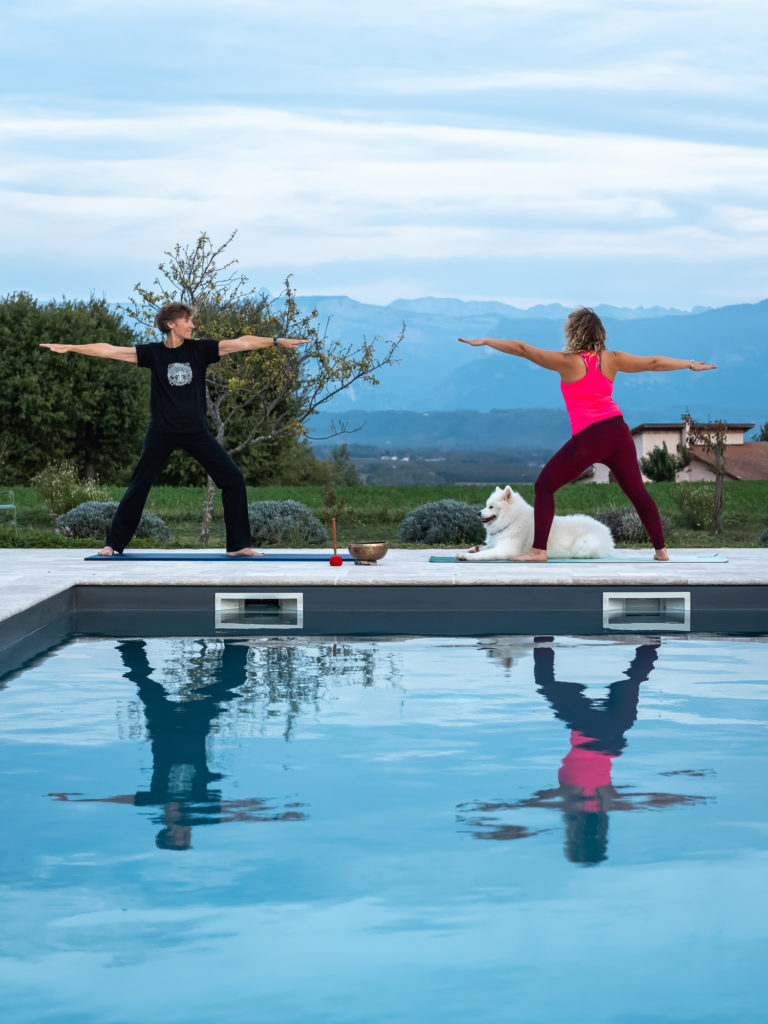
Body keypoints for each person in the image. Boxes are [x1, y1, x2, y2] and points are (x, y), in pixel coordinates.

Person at [40, 302, 306, 556]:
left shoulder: (199, 350)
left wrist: (276, 341)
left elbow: (241, 342)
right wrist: (72, 347)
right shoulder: (152, 354)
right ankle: (113, 544)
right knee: (139, 485)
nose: (192, 325)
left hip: (196, 433)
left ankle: (238, 545)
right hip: (162, 433)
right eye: (187, 321)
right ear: (170, 324)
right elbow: (109, 349)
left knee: (233, 479)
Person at [459, 307, 716, 561]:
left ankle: (539, 550)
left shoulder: (567, 362)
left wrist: (487, 341)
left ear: (572, 333)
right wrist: (690, 364)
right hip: (618, 432)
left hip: (589, 438)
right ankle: (661, 551)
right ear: (599, 333)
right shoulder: (612, 358)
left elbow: (524, 349)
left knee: (544, 486)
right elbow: (653, 363)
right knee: (638, 492)